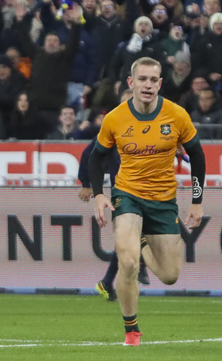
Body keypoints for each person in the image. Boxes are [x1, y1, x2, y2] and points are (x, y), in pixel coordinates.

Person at [89, 57, 207, 346]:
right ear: (131, 83)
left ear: (160, 84)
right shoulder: (115, 118)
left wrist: (197, 200)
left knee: (170, 276)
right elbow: (96, 157)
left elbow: (198, 156)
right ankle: (132, 331)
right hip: (127, 195)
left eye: (153, 80)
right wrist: (100, 194)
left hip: (164, 200)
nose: (148, 85)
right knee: (127, 263)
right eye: (142, 79)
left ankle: (141, 243)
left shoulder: (176, 115)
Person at [77, 91, 150, 301]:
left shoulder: (151, 125)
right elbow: (89, 153)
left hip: (148, 187)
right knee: (135, 234)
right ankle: (139, 265)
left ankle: (108, 282)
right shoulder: (114, 126)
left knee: (130, 237)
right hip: (124, 190)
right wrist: (87, 183)